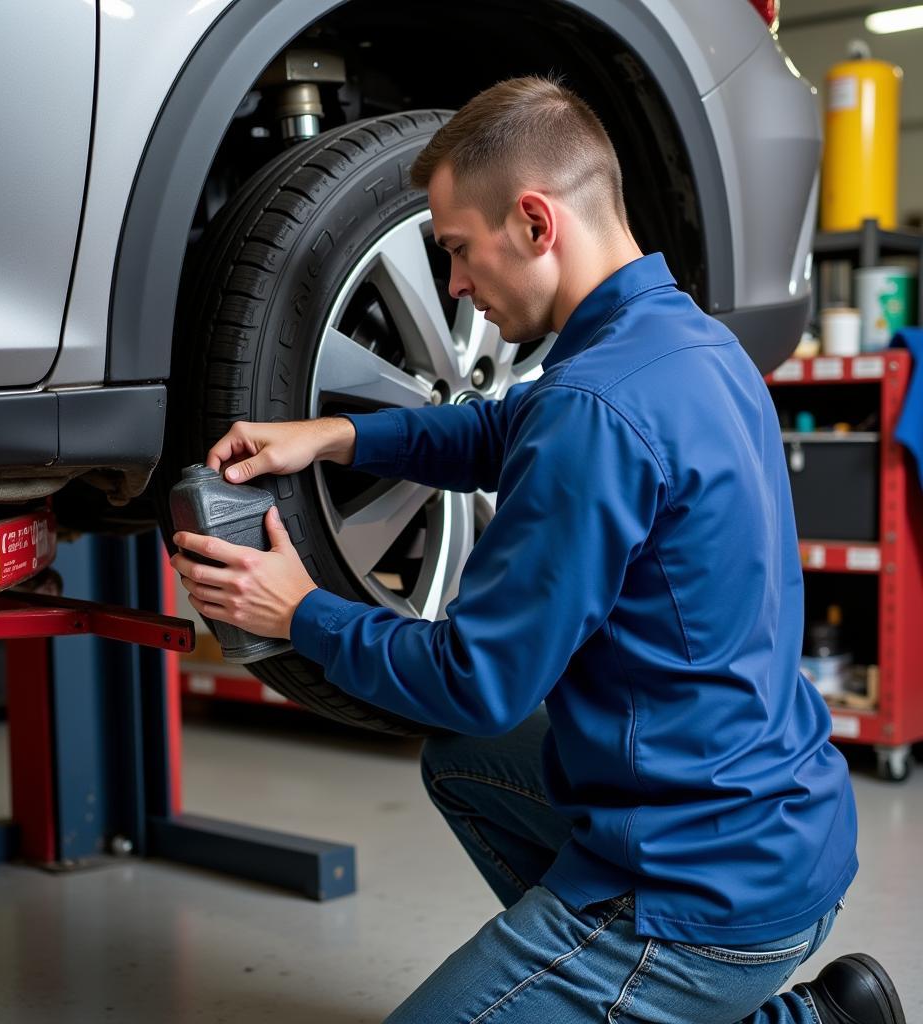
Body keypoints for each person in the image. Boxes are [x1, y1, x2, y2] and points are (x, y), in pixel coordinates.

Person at [171, 77, 905, 1023]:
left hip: (697, 896)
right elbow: (497, 430)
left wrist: (299, 610)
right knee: (465, 759)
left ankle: (692, 992)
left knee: (471, 721)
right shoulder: (689, 344)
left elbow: (476, 679)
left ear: (533, 223)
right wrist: (333, 437)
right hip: (788, 825)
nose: (455, 287)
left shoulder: (592, 410)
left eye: (456, 250)